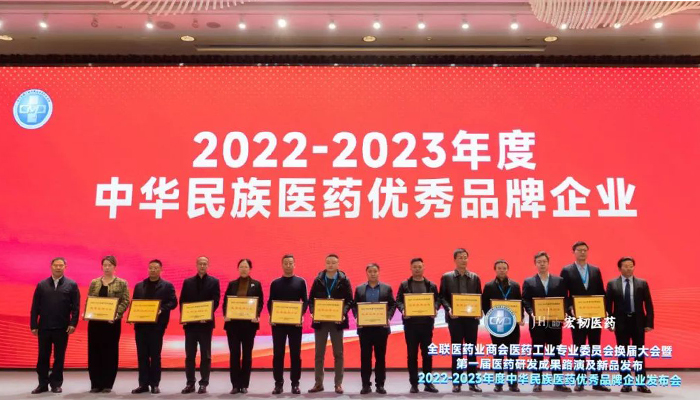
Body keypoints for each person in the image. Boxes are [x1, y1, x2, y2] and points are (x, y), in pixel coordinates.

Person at [560, 241, 610, 392]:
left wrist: (604, 310)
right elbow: (564, 294)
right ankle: (580, 381)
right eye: (579, 250)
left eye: (584, 250)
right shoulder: (567, 270)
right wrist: (570, 308)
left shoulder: (595, 270)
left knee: (595, 348)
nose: (582, 252)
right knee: (579, 349)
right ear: (573, 252)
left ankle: (597, 381)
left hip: (594, 316)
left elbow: (601, 292)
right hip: (577, 316)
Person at [522, 251, 572, 393]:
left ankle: (558, 383)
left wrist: (564, 311)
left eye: (544, 261)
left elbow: (565, 299)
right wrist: (531, 312)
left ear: (548, 263)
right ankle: (537, 383)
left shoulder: (559, 281)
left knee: (555, 352)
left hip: (554, 322)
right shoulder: (529, 281)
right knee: (537, 352)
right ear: (535, 264)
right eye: (539, 262)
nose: (542, 264)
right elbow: (525, 299)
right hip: (537, 322)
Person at [30, 257, 80, 394]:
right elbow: (35, 307)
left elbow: (76, 307)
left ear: (65, 267)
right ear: (51, 266)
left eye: (61, 265)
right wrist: (33, 325)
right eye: (55, 265)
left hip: (62, 328)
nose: (58, 267)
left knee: (59, 357)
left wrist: (73, 323)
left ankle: (56, 384)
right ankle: (42, 384)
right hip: (44, 327)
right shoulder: (42, 285)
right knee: (43, 357)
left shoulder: (72, 285)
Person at [605, 257, 654, 394]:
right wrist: (610, 323)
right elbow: (608, 306)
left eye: (631, 266)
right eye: (625, 266)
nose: (629, 268)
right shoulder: (612, 284)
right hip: (621, 322)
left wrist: (649, 323)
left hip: (638, 322)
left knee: (639, 353)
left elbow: (648, 304)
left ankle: (641, 384)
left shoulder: (642, 283)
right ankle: (626, 383)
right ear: (619, 268)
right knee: (623, 354)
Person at [307, 254, 353, 394]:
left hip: (337, 322)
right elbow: (311, 300)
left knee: (338, 354)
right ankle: (318, 383)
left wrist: (343, 313)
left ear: (338, 264)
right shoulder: (318, 279)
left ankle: (338, 384)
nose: (330, 265)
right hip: (321, 322)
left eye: (333, 262)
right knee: (319, 354)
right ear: (325, 264)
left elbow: (350, 300)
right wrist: (313, 312)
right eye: (328, 262)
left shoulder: (344, 280)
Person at [130, 259, 178, 395]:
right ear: (148, 269)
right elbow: (135, 304)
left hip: (157, 327)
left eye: (156, 268)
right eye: (151, 268)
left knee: (155, 356)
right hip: (141, 326)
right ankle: (143, 384)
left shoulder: (167, 286)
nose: (153, 270)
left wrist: (161, 309)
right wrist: (132, 316)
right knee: (142, 356)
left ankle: (155, 384)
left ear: (161, 270)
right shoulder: (139, 286)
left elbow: (173, 302)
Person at [439, 248, 483, 393]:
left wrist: (479, 310)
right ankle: (456, 382)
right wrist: (448, 309)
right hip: (455, 319)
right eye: (460, 257)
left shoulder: (475, 277)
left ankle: (473, 382)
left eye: (465, 257)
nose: (463, 260)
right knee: (457, 350)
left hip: (471, 320)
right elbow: (442, 297)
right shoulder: (447, 277)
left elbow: (479, 296)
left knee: (471, 351)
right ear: (455, 260)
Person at [396, 257, 440, 394]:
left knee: (427, 355)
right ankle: (414, 384)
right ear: (411, 268)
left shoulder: (431, 285)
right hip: (411, 326)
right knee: (412, 355)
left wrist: (435, 308)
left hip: (426, 325)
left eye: (419, 267)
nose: (417, 269)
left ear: (423, 268)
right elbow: (398, 300)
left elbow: (437, 300)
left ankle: (428, 383)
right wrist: (403, 309)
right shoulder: (405, 284)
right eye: (414, 267)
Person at [87, 255, 130, 393]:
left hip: (112, 323)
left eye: (109, 265)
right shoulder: (94, 282)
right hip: (95, 323)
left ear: (114, 267)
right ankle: (95, 383)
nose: (106, 268)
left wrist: (117, 314)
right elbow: (90, 300)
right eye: (104, 265)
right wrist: (87, 313)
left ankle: (107, 383)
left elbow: (125, 301)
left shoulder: (122, 283)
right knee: (94, 352)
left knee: (110, 352)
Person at [352, 263, 396, 395]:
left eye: (375, 271)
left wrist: (388, 317)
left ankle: (380, 385)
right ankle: (365, 385)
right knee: (365, 358)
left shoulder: (386, 288)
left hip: (381, 329)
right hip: (365, 329)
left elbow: (392, 305)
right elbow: (354, 306)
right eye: (370, 271)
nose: (373, 273)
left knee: (380, 358)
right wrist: (356, 317)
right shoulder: (359, 289)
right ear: (366, 273)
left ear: (379, 272)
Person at [268, 254, 308, 395]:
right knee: (278, 354)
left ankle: (295, 384)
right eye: (286, 263)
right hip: (278, 324)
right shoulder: (275, 283)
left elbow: (306, 301)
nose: (288, 265)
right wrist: (272, 315)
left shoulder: (300, 282)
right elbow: (270, 302)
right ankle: (278, 384)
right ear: (282, 265)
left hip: (295, 324)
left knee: (295, 354)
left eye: (291, 263)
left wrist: (301, 314)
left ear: (294, 265)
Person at [481, 259, 524, 392]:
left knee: (513, 354)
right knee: (498, 355)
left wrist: (521, 317)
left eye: (504, 268)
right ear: (495, 269)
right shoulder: (489, 286)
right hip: (497, 326)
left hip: (513, 325)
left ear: (507, 269)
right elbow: (484, 304)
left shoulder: (515, 285)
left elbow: (520, 303)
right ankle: (498, 383)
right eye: (499, 268)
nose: (502, 270)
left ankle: (513, 383)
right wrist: (491, 318)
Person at [223, 259, 264, 394]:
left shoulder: (256, 284)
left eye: (246, 267)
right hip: (233, 326)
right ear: (238, 268)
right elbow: (226, 302)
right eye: (241, 266)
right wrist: (226, 314)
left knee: (247, 355)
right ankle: (235, 385)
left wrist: (256, 314)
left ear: (250, 269)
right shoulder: (232, 284)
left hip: (249, 326)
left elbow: (260, 303)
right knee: (234, 355)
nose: (244, 269)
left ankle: (244, 384)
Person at [180, 256, 220, 394]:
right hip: (190, 325)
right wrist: (184, 317)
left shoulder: (214, 282)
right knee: (189, 356)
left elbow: (216, 301)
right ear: (196, 265)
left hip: (205, 325)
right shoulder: (188, 282)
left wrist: (206, 315)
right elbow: (183, 301)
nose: (202, 266)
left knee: (205, 356)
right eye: (200, 264)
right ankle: (190, 383)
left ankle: (204, 383)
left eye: (205, 264)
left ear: (208, 266)